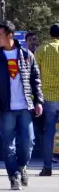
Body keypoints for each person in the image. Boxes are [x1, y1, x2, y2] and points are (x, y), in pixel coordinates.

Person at [0, 19, 44, 190]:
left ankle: (21, 166)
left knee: (28, 143)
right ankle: (14, 175)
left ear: (10, 35)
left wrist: (39, 101)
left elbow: (36, 80)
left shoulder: (26, 55)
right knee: (8, 144)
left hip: (25, 107)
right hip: (5, 108)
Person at [35, 23, 59, 176]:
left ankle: (47, 166)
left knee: (48, 132)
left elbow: (34, 74)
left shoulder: (41, 49)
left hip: (48, 97)